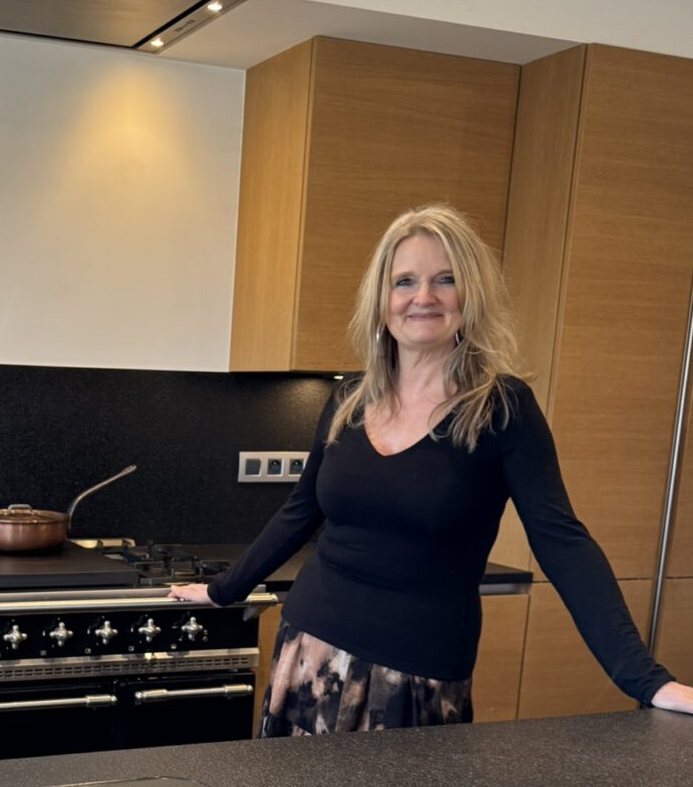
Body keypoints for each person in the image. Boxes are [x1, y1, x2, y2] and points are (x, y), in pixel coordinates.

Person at [170, 204, 693, 735]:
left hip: (416, 675)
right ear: (382, 300)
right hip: (309, 652)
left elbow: (563, 543)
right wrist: (223, 589)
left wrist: (645, 680)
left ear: (472, 295)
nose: (424, 297)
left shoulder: (502, 408)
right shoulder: (349, 399)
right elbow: (300, 511)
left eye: (446, 279)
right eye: (405, 281)